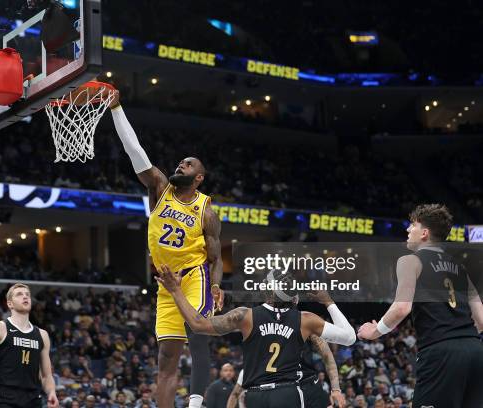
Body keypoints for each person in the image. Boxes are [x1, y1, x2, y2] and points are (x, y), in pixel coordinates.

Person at [109, 89, 224, 408]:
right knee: (166, 359)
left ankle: (196, 404)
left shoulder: (207, 211)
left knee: (199, 339)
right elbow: (136, 153)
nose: (180, 165)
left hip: (193, 278)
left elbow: (215, 258)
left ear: (199, 177)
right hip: (165, 284)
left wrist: (215, 285)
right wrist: (117, 109)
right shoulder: (160, 187)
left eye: (187, 164)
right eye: (180, 162)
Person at [156, 267, 356, 407]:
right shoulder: (306, 320)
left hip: (254, 396)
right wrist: (328, 301)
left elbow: (197, 324)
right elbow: (349, 337)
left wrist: (175, 290)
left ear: (267, 289)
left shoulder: (244, 316)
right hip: (287, 394)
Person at [358, 204, 483, 408]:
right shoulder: (460, 268)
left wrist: (375, 330)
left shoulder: (410, 261)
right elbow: (481, 319)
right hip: (475, 350)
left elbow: (401, 308)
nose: (408, 230)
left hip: (441, 352)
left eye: (412, 225)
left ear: (424, 233)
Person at [0, 283, 58, 408]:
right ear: (10, 303)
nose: (25, 297)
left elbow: (46, 375)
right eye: (19, 294)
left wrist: (51, 392)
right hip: (4, 397)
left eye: (27, 295)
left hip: (33, 398)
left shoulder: (42, 335)